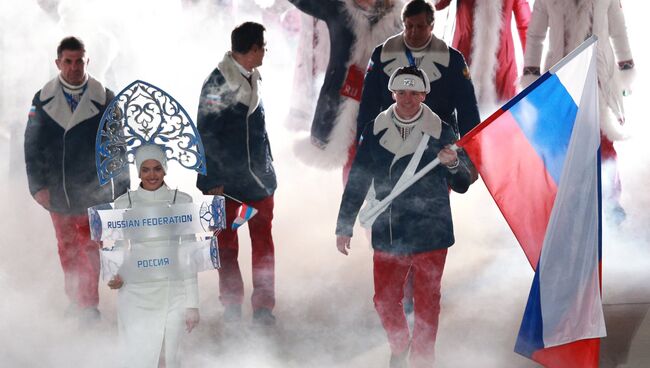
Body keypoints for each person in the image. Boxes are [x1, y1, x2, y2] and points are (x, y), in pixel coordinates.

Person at [336, 66, 477, 368]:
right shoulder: (375, 128)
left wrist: (453, 165)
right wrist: (344, 224)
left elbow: (464, 182)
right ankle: (400, 345)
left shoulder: (443, 131)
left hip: (432, 230)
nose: (408, 99)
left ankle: (423, 360)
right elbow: (359, 178)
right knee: (384, 301)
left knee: (428, 303)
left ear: (424, 94)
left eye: (414, 92)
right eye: (402, 92)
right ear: (392, 93)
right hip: (390, 228)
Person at [24, 36, 129, 324]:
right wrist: (37, 186)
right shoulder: (41, 100)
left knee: (89, 247)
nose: (73, 67)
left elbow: (118, 147)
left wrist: (122, 192)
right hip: (57, 191)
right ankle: (75, 300)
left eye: (79, 61)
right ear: (58, 63)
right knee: (66, 246)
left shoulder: (106, 98)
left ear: (87, 61)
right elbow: (32, 145)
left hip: (92, 191)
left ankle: (88, 306)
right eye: (67, 61)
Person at [522, 0, 634, 224]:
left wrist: (626, 65)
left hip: (599, 75)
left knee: (604, 142)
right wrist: (532, 73)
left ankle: (611, 204)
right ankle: (564, 205)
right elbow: (535, 35)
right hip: (561, 77)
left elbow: (618, 29)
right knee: (562, 143)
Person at [196, 22, 278, 325]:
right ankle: (231, 304)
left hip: (259, 181)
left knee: (263, 247)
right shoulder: (218, 83)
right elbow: (205, 132)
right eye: (263, 47)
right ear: (254, 49)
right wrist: (211, 179)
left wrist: (269, 167)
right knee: (227, 246)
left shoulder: (252, 76)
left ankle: (264, 307)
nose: (265, 52)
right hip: (227, 185)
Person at [108, 144, 200, 368]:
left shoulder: (183, 201)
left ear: (165, 169)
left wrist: (193, 304)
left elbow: (189, 254)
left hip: (173, 291)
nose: (152, 175)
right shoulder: (123, 204)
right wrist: (116, 274)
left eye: (157, 168)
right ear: (138, 171)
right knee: (139, 355)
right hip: (136, 293)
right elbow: (119, 248)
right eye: (146, 169)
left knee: (169, 357)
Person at [286, 0, 404, 169]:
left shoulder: (404, 20)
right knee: (351, 172)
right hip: (336, 108)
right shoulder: (338, 9)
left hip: (380, 112)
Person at [356, 0, 480, 145]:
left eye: (420, 26)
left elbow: (467, 110)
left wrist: (472, 151)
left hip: (439, 143)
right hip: (390, 141)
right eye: (409, 26)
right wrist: (362, 146)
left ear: (432, 26)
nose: (413, 32)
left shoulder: (453, 59)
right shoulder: (381, 54)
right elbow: (368, 105)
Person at [435, 0, 531, 106]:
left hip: (502, 68)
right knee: (460, 112)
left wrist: (531, 68)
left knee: (502, 116)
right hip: (464, 60)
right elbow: (437, 4)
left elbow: (527, 26)